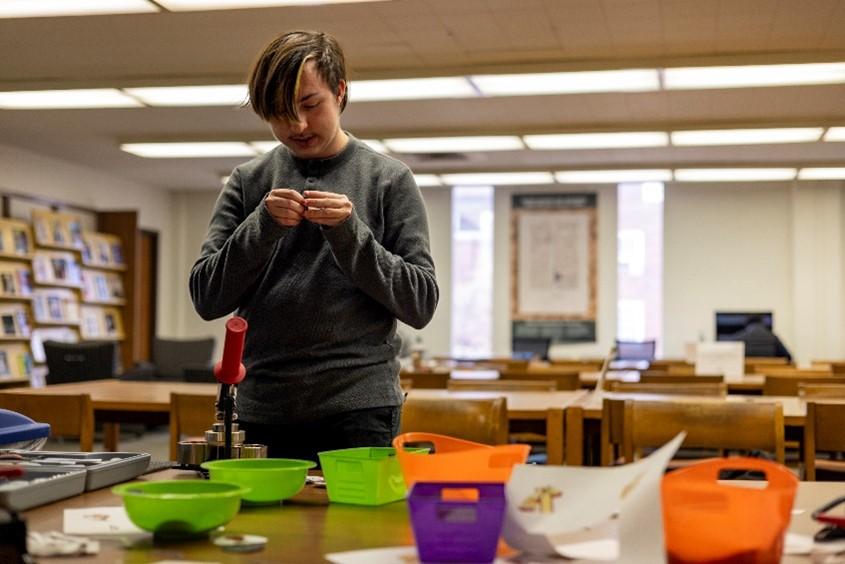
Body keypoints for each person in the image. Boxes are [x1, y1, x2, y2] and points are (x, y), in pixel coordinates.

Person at [189, 30, 439, 462]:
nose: (298, 126)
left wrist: (349, 234)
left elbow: (420, 303)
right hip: (261, 407)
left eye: (309, 105)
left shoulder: (389, 180)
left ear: (340, 93)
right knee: (257, 530)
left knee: (357, 531)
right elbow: (207, 298)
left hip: (359, 407)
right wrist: (261, 227)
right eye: (281, 114)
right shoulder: (248, 182)